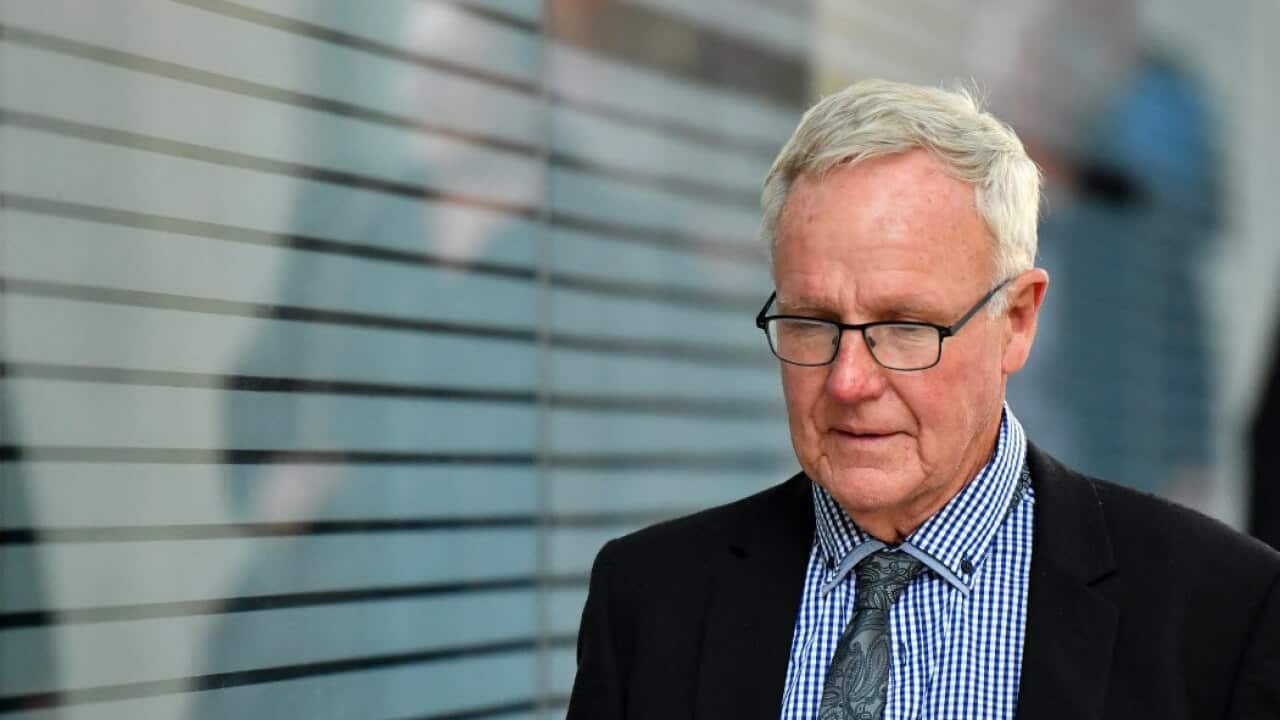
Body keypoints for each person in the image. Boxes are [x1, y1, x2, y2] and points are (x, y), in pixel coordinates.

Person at [565, 79, 1280, 720]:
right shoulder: (649, 599)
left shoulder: (1218, 612)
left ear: (1018, 321)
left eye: (905, 327)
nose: (848, 382)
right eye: (813, 323)